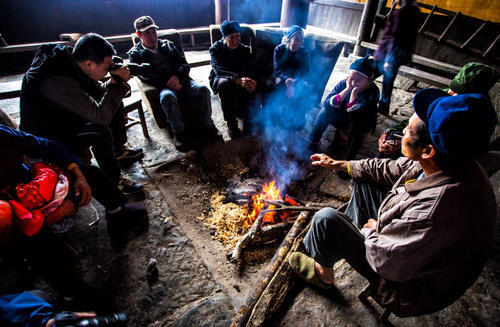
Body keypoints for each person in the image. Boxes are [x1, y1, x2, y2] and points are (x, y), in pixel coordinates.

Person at [290, 88, 497, 317]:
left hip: (408, 288)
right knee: (365, 179)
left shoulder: (437, 211)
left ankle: (323, 275)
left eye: (408, 131)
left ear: (427, 150)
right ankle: (347, 235)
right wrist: (340, 164)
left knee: (325, 220)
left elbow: (386, 262)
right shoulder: (450, 158)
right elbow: (389, 168)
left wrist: (370, 232)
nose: (402, 132)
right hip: (409, 245)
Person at [0, 125, 148, 303]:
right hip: (14, 223)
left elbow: (47, 146)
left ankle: (117, 215)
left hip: (29, 192)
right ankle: (73, 295)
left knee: (90, 173)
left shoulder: (2, 133)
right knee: (39, 243)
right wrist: (53, 216)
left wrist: (79, 175)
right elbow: (7, 226)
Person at [19, 33, 143, 195]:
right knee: (100, 131)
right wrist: (118, 85)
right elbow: (101, 116)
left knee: (114, 103)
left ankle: (119, 151)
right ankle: (114, 181)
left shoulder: (73, 61)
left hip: (61, 114)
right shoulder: (58, 82)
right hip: (47, 132)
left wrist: (115, 81)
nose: (108, 71)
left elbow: (99, 92)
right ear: (89, 64)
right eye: (106, 68)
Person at [128, 16, 221, 151]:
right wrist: (167, 82)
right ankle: (179, 132)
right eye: (147, 33)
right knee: (167, 97)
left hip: (182, 80)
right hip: (163, 86)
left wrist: (177, 76)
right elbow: (142, 76)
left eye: (153, 31)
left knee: (203, 90)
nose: (152, 36)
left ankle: (208, 125)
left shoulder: (167, 45)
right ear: (139, 35)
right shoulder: (135, 54)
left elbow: (184, 65)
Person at [375, 61, 499, 159]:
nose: (450, 92)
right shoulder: (443, 96)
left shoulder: (483, 119)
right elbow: (414, 121)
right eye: (453, 87)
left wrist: (410, 145)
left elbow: (460, 153)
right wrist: (390, 132)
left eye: (458, 92)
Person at [309, 56, 380, 160]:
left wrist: (354, 94)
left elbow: (358, 117)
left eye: (358, 81)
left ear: (369, 81)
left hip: (359, 122)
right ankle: (313, 141)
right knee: (324, 112)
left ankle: (347, 162)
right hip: (342, 116)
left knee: (357, 130)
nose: (353, 83)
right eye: (351, 78)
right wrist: (346, 90)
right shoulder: (344, 84)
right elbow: (327, 103)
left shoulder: (373, 93)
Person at [209, 20, 258, 139]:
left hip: (240, 77)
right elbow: (219, 69)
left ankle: (248, 121)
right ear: (224, 37)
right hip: (223, 77)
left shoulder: (245, 50)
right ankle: (231, 124)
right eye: (231, 37)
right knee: (224, 84)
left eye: (238, 36)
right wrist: (236, 79)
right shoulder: (215, 49)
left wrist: (250, 79)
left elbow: (250, 67)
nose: (235, 40)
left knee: (251, 83)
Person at [373, 0, 420, 115]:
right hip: (400, 53)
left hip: (390, 54)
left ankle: (382, 105)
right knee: (387, 80)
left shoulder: (401, 13)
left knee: (387, 80)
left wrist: (389, 60)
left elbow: (396, 37)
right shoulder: (415, 12)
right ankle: (381, 104)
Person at [269, 25, 315, 130]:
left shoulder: (304, 52)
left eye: (301, 39)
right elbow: (277, 70)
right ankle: (278, 116)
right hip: (282, 77)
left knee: (305, 88)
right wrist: (287, 79)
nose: (300, 42)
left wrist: (294, 81)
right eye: (297, 39)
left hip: (297, 79)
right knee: (279, 84)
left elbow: (306, 71)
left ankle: (297, 118)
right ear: (289, 39)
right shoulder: (279, 49)